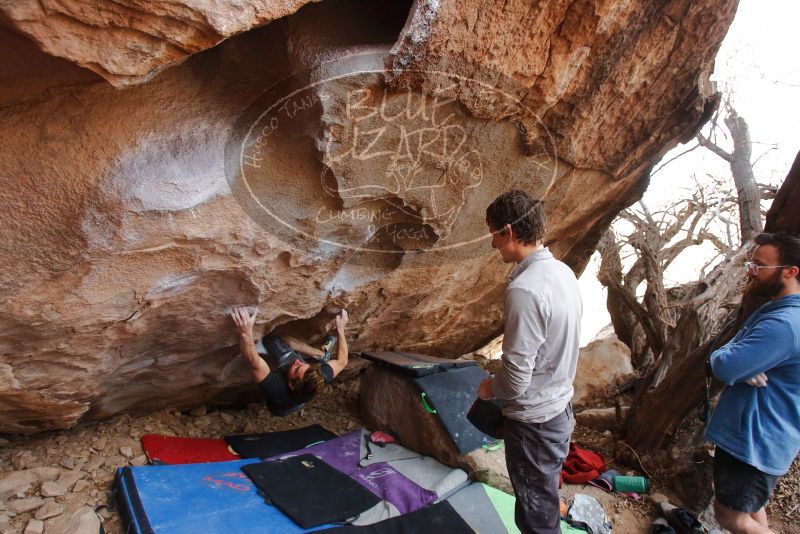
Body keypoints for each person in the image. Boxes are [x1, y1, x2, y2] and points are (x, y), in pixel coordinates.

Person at [477, 190, 583, 534]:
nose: (493, 244)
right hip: (558, 410)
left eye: (493, 233)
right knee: (544, 500)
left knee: (535, 518)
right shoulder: (562, 273)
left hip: (534, 424)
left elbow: (516, 377)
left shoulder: (525, 289)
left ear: (508, 231)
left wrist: (490, 387)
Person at [706, 231, 800, 534]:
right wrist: (734, 359)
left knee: (732, 517)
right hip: (762, 435)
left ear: (790, 272)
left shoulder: (784, 325)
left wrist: (731, 361)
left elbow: (724, 365)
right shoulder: (780, 312)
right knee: (750, 509)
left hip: (755, 438)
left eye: (760, 266)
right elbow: (731, 355)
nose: (751, 271)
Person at [230, 306, 350, 416]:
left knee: (270, 342)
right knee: (276, 341)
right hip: (299, 396)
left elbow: (253, 361)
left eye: (297, 368)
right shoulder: (318, 377)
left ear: (291, 385)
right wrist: (340, 328)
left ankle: (319, 356)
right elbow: (342, 361)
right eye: (304, 364)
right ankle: (321, 355)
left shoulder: (276, 388)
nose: (298, 362)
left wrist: (245, 332)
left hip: (279, 409)